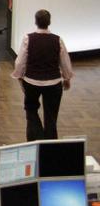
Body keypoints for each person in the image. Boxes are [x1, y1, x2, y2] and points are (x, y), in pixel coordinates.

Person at [11, 9, 74, 141]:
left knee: (31, 111)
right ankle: (50, 148)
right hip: (54, 83)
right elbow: (65, 62)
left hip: (31, 82)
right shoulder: (58, 40)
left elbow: (20, 62)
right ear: (49, 22)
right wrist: (67, 78)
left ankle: (36, 141)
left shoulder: (28, 38)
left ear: (35, 22)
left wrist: (20, 77)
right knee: (51, 117)